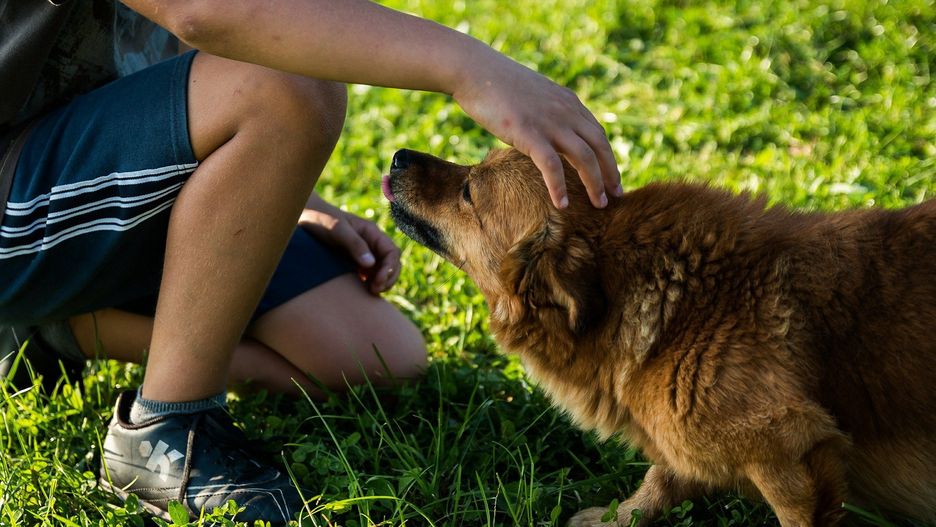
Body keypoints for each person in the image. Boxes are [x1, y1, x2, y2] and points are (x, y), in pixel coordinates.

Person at [0, 0, 621, 523]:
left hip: (89, 163)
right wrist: (471, 69)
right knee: (289, 87)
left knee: (373, 356)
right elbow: (206, 11)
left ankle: (55, 329)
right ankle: (165, 432)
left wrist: (276, 188)